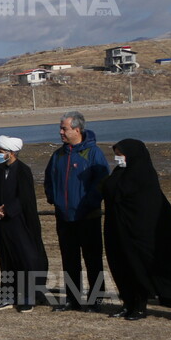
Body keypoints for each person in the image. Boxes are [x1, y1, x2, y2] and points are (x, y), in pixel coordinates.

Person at [102, 139, 171, 321]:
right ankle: (129, 303)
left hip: (138, 233)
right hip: (118, 229)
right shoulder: (120, 172)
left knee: (139, 267)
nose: (117, 158)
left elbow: (144, 206)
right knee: (122, 267)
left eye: (121, 154)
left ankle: (140, 306)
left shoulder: (143, 174)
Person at [44, 111, 111, 311]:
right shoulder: (59, 154)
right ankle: (73, 298)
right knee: (69, 259)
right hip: (64, 217)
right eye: (61, 128)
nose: (60, 132)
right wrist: (54, 199)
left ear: (77, 129)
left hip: (87, 216)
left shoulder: (93, 153)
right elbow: (49, 179)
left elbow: (101, 183)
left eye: (64, 128)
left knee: (92, 259)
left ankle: (96, 298)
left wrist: (87, 205)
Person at [0, 136, 48, 313]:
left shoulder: (23, 171)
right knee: (6, 261)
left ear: (11, 153)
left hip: (20, 224)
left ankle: (28, 298)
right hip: (2, 225)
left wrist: (7, 210)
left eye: (1, 152)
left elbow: (25, 197)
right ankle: (7, 297)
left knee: (25, 260)